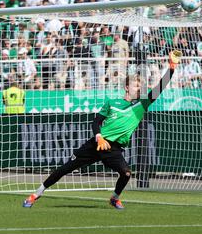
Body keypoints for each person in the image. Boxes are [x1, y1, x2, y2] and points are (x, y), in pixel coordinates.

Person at [23, 50, 182, 209]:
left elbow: (159, 88)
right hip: (97, 143)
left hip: (113, 149)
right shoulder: (112, 103)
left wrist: (171, 68)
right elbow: (96, 121)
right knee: (65, 169)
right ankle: (36, 194)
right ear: (127, 87)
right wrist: (99, 136)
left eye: (140, 86)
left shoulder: (141, 105)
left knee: (126, 173)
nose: (139, 88)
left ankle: (115, 198)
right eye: (136, 85)